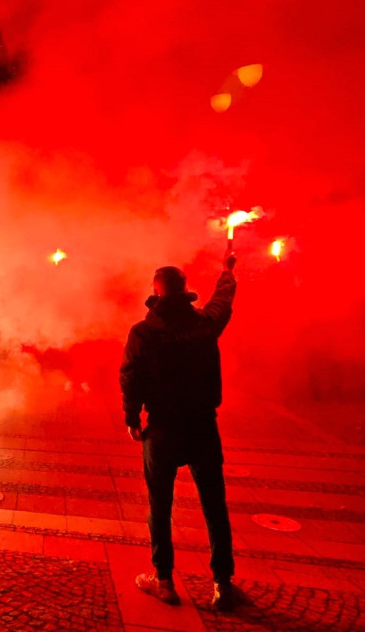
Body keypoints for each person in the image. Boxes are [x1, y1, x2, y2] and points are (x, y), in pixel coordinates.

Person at [119, 251, 238, 611]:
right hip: (202, 425)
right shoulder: (203, 324)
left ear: (156, 293)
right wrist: (227, 273)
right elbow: (222, 301)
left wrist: (131, 417)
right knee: (214, 505)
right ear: (186, 292)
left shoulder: (143, 332)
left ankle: (164, 580)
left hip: (163, 429)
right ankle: (222, 585)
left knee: (160, 504)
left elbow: (130, 376)